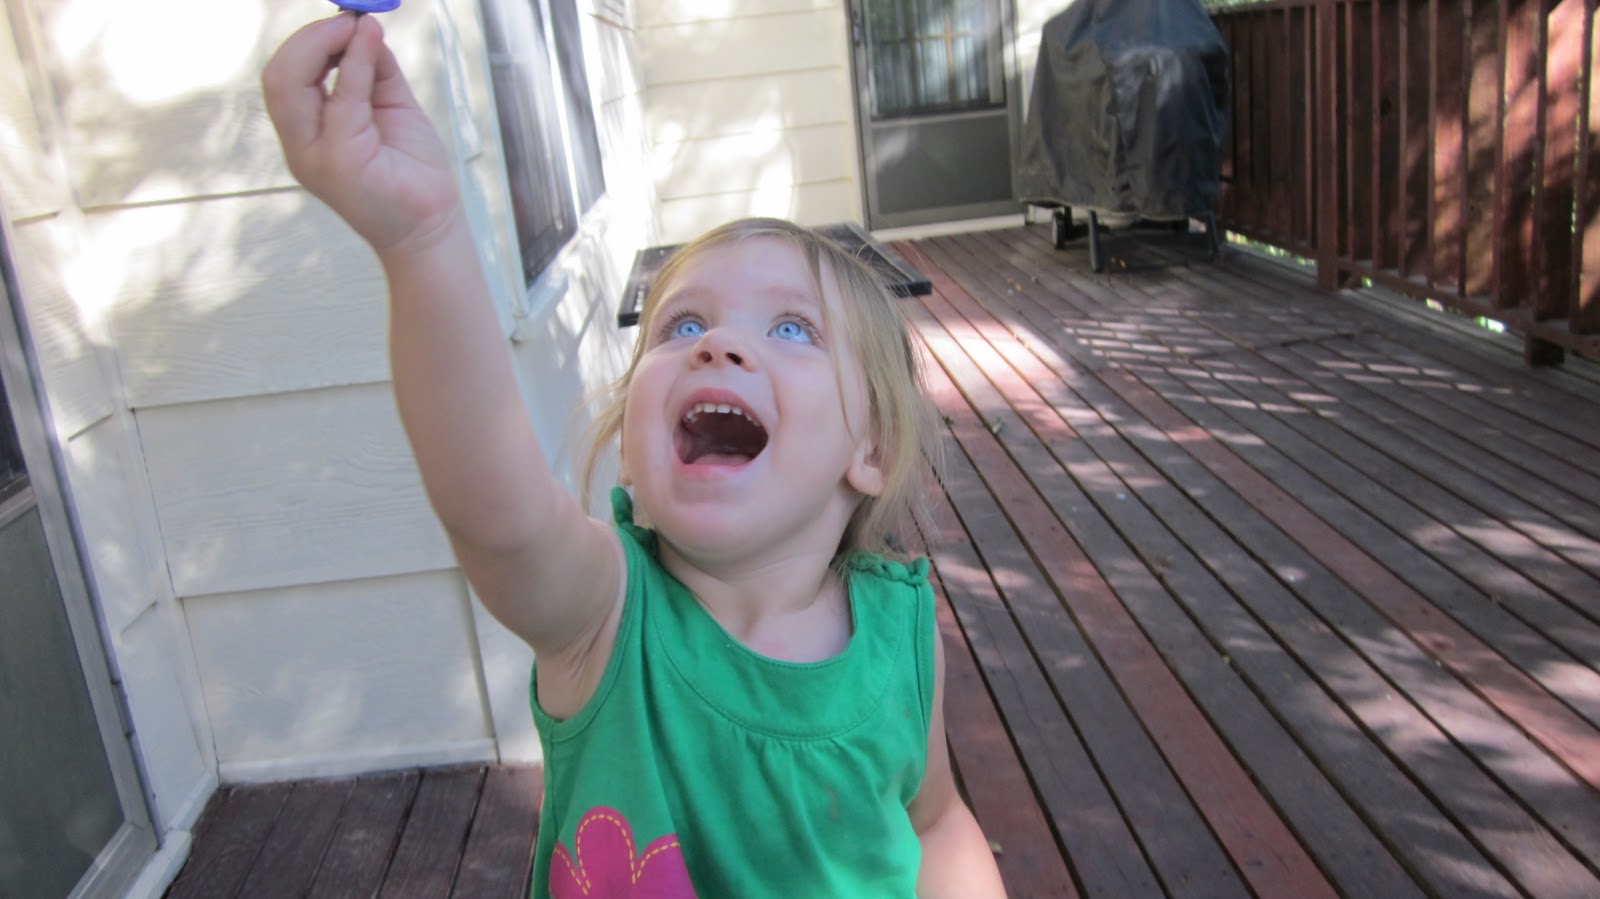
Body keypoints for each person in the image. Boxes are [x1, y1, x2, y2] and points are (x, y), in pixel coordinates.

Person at [262, 12, 1006, 897]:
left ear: (872, 448)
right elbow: (496, 514)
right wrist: (421, 239)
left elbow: (936, 819)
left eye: (791, 328)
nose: (719, 345)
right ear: (629, 455)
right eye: (683, 325)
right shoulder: (603, 615)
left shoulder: (901, 633)